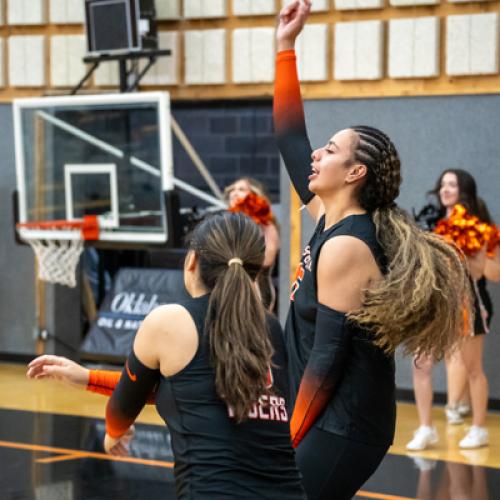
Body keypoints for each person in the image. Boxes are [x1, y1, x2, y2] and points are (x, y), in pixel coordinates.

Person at [273, 2, 471, 499]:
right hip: (329, 415)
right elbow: (291, 137)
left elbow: (326, 363)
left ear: (355, 173)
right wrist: (285, 47)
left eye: (332, 150)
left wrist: (287, 442)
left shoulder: (345, 246)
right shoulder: (328, 218)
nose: (317, 154)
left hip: (343, 423)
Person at [27, 212, 306, 500]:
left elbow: (123, 408)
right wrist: (88, 377)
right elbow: (194, 392)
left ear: (192, 261)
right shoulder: (269, 325)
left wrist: (113, 434)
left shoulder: (170, 320)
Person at [407, 169, 499, 451]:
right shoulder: (429, 223)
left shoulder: (477, 227)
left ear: (464, 192)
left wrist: (466, 251)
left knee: (472, 368)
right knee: (420, 362)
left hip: (467, 302)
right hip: (435, 302)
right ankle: (425, 428)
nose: (446, 189)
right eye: (443, 184)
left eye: (453, 185)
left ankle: (479, 428)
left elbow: (487, 272)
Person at [225, 177, 281, 310]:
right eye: (233, 189)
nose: (234, 193)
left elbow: (266, 261)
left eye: (241, 189)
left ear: (255, 195)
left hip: (257, 291)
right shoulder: (229, 222)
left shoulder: (266, 224)